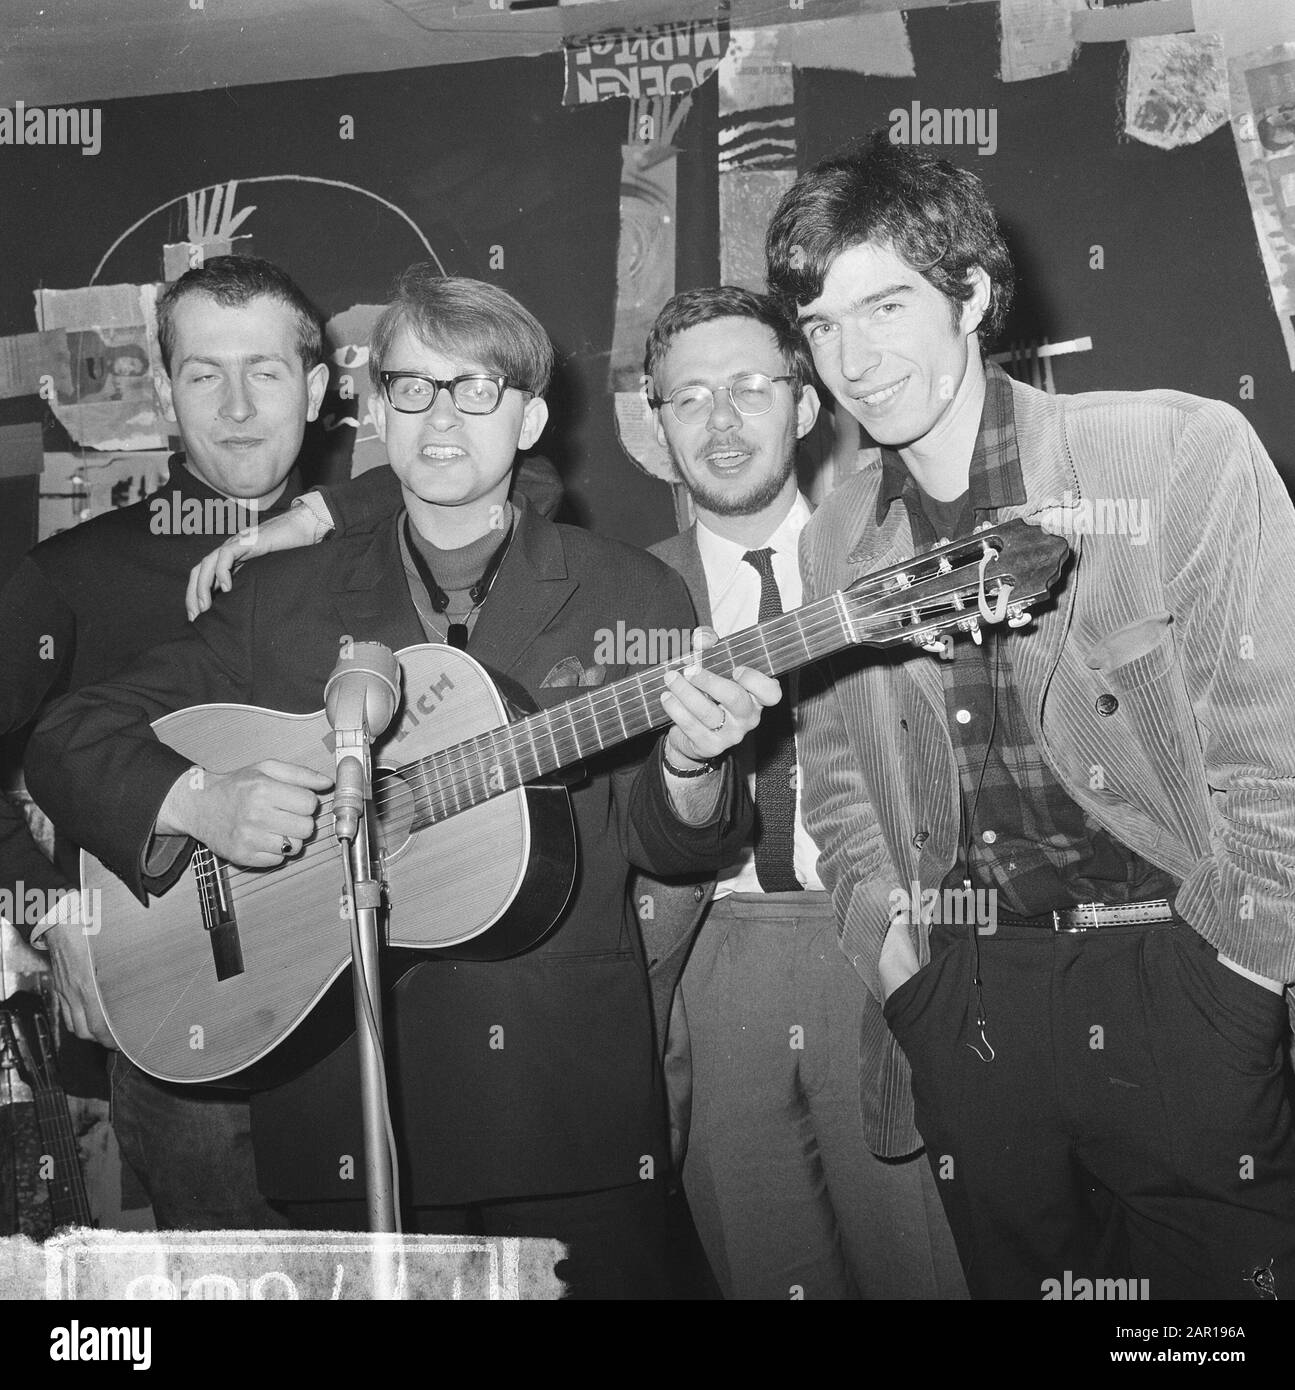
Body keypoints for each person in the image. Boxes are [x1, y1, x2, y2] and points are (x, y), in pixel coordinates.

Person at [27, 269, 778, 1297]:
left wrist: (694, 768)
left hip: (560, 1110)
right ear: (376, 410)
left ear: (530, 418)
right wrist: (201, 801)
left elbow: (676, 842)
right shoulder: (279, 601)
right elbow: (68, 733)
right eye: (413, 389)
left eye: (476, 391)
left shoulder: (630, 590)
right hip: (343, 1109)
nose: (439, 418)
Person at [764, 132, 1295, 1300]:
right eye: (820, 325)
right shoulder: (833, 536)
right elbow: (839, 782)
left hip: (1178, 971)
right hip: (965, 1001)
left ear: (972, 294)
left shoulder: (1173, 450)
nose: (853, 357)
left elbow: (1277, 749)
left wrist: (1235, 978)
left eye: (886, 304)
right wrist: (897, 962)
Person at [638, 286, 964, 1299]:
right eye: (688, 398)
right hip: (713, 967)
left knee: (929, 1263)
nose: (722, 422)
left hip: (883, 936)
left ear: (807, 402)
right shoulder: (623, 596)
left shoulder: (889, 559)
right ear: (657, 425)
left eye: (749, 386)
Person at [0, 253, 331, 1229]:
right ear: (165, 391)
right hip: (172, 1025)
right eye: (202, 373)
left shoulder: (379, 550)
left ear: (314, 387)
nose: (235, 404)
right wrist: (50, 906)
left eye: (264, 372)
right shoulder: (71, 574)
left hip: (369, 1010)